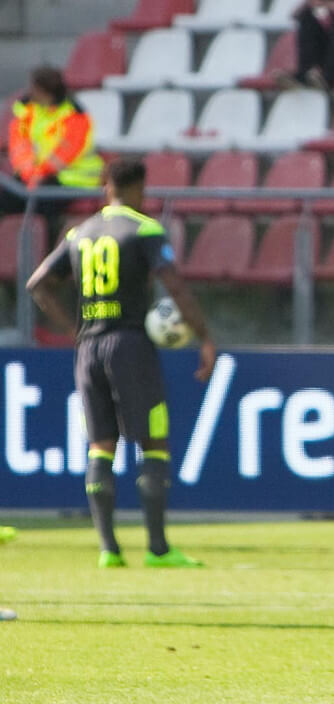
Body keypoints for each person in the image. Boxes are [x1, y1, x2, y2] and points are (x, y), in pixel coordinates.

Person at [26, 158, 216, 569]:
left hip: (88, 347)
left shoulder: (79, 232)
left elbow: (37, 284)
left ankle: (108, 549)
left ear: (105, 186)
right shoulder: (144, 229)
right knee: (154, 441)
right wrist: (204, 338)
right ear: (139, 188)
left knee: (101, 444)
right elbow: (176, 287)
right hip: (130, 344)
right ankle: (158, 548)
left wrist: (73, 326)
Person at [0, 65, 103, 218]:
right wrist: (29, 173)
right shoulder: (28, 111)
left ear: (43, 91)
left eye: (33, 87)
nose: (30, 91)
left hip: (73, 180)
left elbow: (66, 152)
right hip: (37, 177)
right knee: (7, 199)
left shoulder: (75, 116)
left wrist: (39, 174)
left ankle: (49, 239)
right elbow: (19, 145)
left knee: (43, 205)